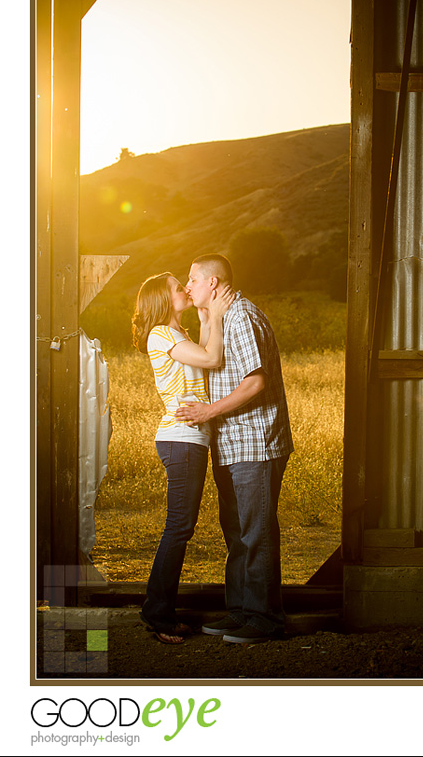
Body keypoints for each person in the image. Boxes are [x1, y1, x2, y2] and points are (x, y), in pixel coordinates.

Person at [176, 254, 293, 644]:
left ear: (213, 283)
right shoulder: (224, 317)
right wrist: (209, 318)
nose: (187, 285)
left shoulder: (242, 316)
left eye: (192, 279)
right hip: (232, 444)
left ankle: (265, 620)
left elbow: (255, 383)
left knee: (255, 532)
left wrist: (207, 411)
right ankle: (241, 611)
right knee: (238, 532)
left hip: (254, 443)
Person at [131, 271, 234, 644]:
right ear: (163, 298)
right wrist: (218, 315)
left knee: (180, 527)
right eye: (179, 287)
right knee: (179, 527)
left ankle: (157, 608)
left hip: (191, 439)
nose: (185, 289)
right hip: (181, 438)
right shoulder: (161, 334)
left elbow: (205, 354)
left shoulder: (180, 334)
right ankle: (157, 613)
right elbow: (212, 358)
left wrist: (207, 318)